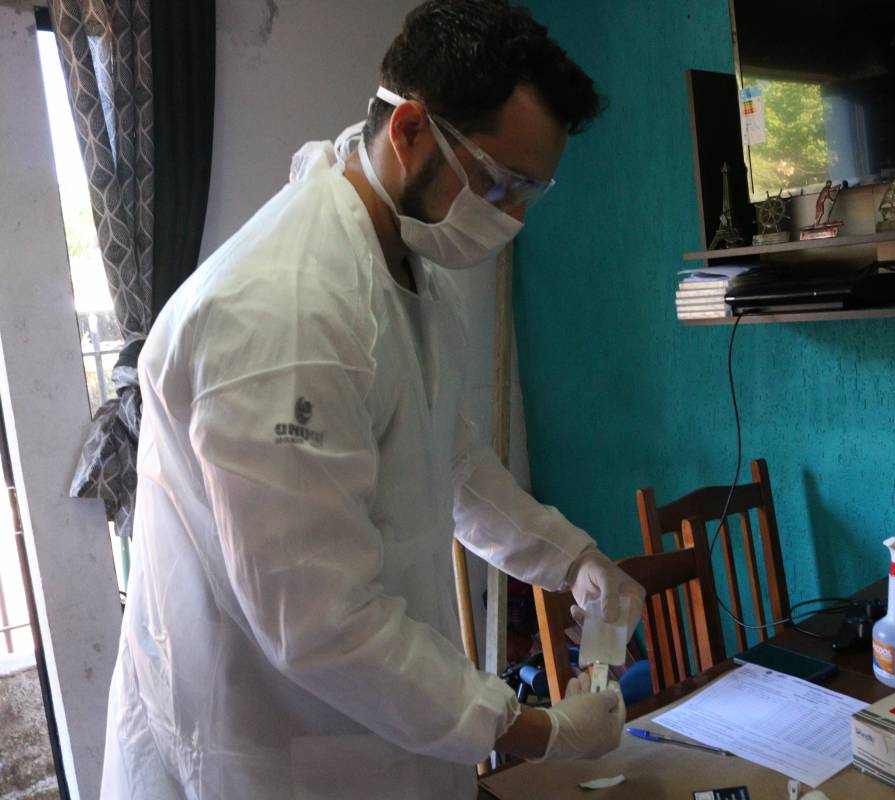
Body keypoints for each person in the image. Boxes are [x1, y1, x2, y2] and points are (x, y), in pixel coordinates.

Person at [99, 2, 645, 798]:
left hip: (377, 739)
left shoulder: (405, 261)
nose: (513, 216)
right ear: (412, 129)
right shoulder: (285, 315)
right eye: (499, 182)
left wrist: (573, 559)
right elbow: (321, 623)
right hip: (273, 750)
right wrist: (533, 729)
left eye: (532, 191)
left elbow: (449, 461)